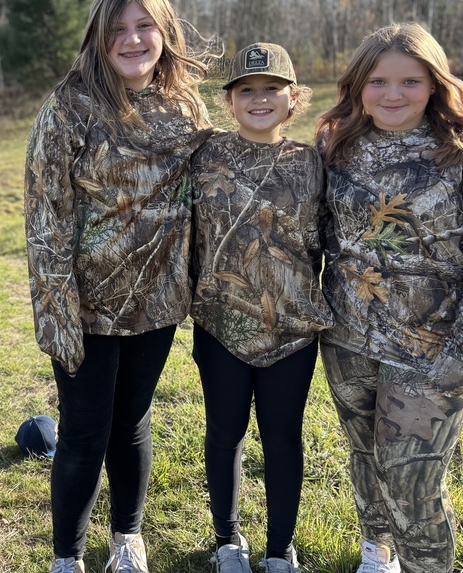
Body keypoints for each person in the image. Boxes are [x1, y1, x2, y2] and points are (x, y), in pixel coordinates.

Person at [315, 23, 463, 573]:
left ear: (435, 84)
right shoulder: (336, 143)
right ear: (358, 85)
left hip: (432, 351)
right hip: (346, 339)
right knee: (366, 458)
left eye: (410, 81)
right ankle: (377, 554)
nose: (393, 94)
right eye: (378, 81)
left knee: (412, 483)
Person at [24, 0, 213, 573]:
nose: (132, 40)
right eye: (118, 29)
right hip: (86, 306)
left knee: (131, 422)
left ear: (165, 31)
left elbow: (208, 196)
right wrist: (57, 310)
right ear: (98, 37)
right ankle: (67, 558)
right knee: (84, 431)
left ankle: (127, 541)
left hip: (157, 302)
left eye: (144, 26)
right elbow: (45, 216)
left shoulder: (185, 106)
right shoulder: (70, 106)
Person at [189, 43, 333, 573]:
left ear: (293, 98)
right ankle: (227, 542)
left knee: (282, 437)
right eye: (246, 90)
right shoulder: (205, 156)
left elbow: (329, 240)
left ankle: (278, 550)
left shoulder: (311, 163)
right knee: (224, 431)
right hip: (221, 323)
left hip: (291, 330)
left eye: (272, 88)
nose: (259, 98)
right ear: (229, 101)